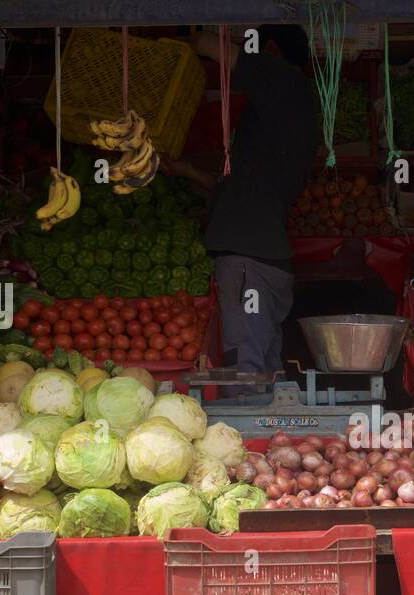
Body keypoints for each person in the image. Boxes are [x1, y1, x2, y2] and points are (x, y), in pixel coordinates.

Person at [163, 25, 317, 387]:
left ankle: (248, 439)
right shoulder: (285, 107)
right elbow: (233, 188)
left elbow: (208, 44)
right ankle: (275, 434)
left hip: (251, 264)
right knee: (263, 365)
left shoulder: (282, 81)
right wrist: (185, 170)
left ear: (273, 50)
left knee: (244, 370)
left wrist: (196, 27)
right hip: (265, 261)